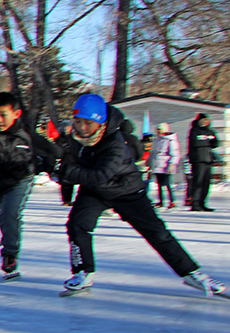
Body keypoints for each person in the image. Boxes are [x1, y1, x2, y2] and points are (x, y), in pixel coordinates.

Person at [58, 94, 224, 296]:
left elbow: (100, 175)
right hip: (96, 190)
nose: (82, 128)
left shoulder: (115, 143)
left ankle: (192, 273)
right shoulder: (76, 139)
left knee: (156, 232)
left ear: (100, 121)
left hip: (125, 191)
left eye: (88, 123)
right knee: (77, 224)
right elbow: (76, 165)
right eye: (78, 122)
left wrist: (65, 172)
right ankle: (83, 272)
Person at [0, 92, 60, 280]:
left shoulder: (26, 133)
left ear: (16, 114)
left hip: (19, 180)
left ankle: (10, 253)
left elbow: (52, 150)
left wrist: (63, 156)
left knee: (10, 215)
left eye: (3, 114)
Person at [188, 113, 219, 212]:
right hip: (198, 160)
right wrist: (207, 140)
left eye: (206, 120)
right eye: (203, 120)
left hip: (208, 160)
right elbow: (195, 142)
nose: (205, 122)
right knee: (198, 182)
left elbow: (215, 143)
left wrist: (209, 140)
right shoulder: (194, 131)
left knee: (206, 184)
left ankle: (202, 203)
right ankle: (195, 203)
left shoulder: (210, 131)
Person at [147, 122, 179, 209]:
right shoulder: (157, 140)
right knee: (159, 184)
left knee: (167, 184)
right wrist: (149, 161)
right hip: (157, 166)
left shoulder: (170, 140)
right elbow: (153, 152)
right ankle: (161, 201)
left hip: (165, 166)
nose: (158, 132)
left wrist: (172, 164)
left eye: (159, 130)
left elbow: (175, 154)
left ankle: (172, 201)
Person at [54, 121, 76, 206]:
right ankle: (66, 200)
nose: (66, 129)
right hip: (64, 163)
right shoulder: (59, 139)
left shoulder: (74, 138)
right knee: (66, 183)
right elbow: (59, 150)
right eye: (65, 127)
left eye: (68, 127)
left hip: (75, 163)